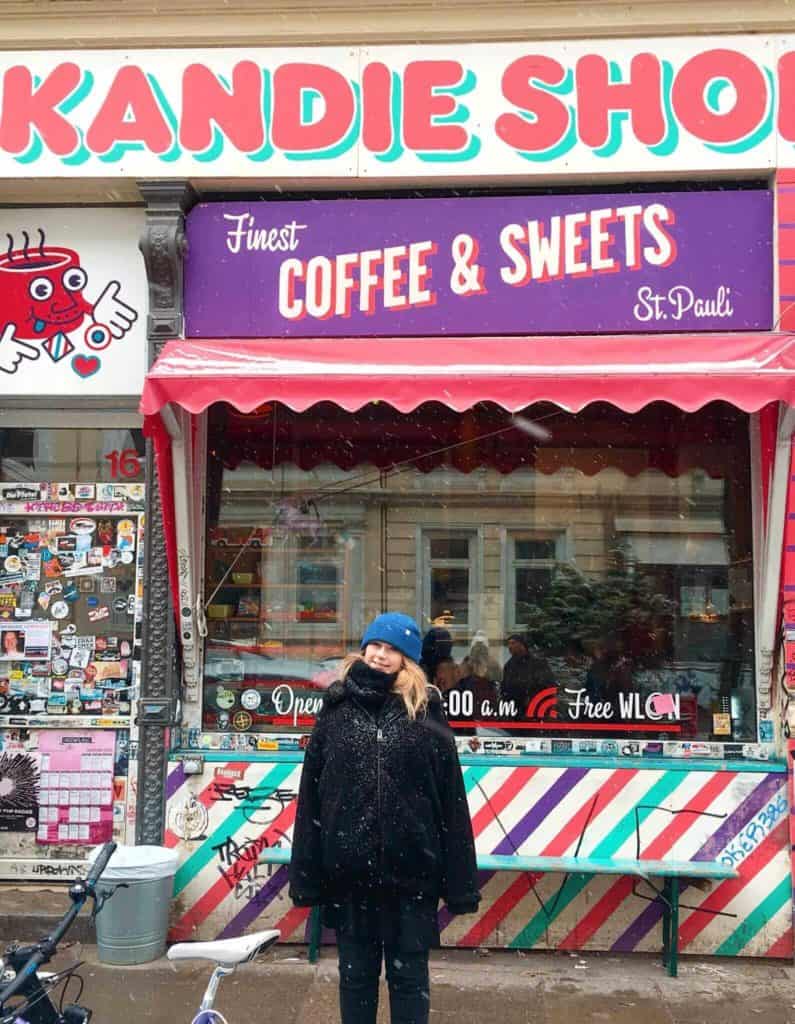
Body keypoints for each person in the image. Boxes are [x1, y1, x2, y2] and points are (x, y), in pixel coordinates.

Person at [289, 612, 480, 1024]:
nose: (380, 654)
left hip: (411, 878)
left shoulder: (426, 715)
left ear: (407, 659)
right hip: (350, 876)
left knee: (409, 981)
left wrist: (461, 884)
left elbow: (451, 802)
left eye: (392, 649)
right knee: (355, 979)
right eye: (375, 645)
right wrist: (306, 875)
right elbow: (312, 798)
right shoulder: (336, 710)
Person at [500, 632, 555, 717]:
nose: (510, 646)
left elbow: (547, 685)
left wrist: (532, 697)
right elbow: (505, 686)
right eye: (509, 644)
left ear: (522, 645)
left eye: (513, 643)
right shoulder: (509, 665)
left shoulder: (537, 663)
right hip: (514, 709)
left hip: (534, 708)